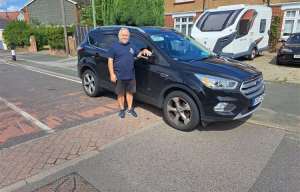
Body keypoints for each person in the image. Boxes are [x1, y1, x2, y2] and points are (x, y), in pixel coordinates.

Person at [108, 28, 152, 118]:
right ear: (119, 36)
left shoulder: (132, 46)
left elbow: (138, 54)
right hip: (119, 75)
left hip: (131, 75)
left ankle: (130, 109)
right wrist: (112, 74)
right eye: (123, 35)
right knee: (120, 94)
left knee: (130, 92)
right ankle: (121, 109)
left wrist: (144, 51)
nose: (125, 37)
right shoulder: (114, 47)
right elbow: (110, 61)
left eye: (126, 35)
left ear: (129, 36)